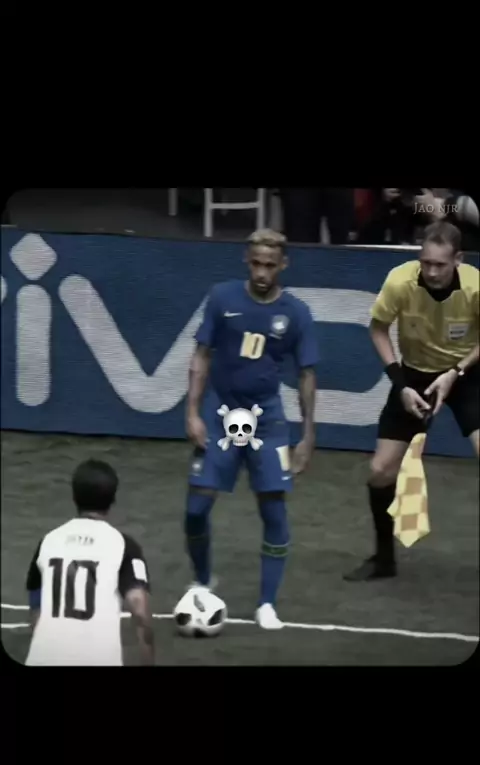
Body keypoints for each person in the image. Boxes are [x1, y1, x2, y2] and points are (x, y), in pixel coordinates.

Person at [184, 228, 318, 628]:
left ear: (283, 265)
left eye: (270, 265)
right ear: (246, 259)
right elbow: (201, 355)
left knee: (273, 509)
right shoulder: (221, 298)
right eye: (256, 263)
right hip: (219, 412)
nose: (262, 273)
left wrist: (307, 435)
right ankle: (203, 581)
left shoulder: (296, 313)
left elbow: (307, 375)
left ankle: (267, 604)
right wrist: (192, 412)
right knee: (195, 508)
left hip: (267, 420)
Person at [345, 221, 479, 581]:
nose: (432, 272)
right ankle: (383, 560)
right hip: (414, 377)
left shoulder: (475, 286)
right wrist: (401, 384)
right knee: (379, 471)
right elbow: (378, 329)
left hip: (466, 375)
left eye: (440, 264)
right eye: (426, 263)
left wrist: (456, 373)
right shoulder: (400, 281)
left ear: (458, 259)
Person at [25, 459, 154, 665]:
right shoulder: (124, 545)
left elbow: (36, 609)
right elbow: (139, 610)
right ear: (113, 500)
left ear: (74, 497)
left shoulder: (48, 541)